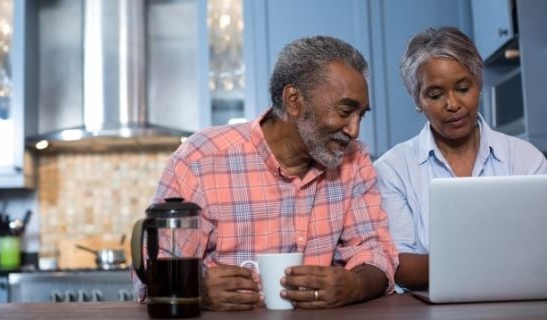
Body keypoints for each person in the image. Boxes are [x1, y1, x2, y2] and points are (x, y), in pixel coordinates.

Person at [134, 35, 398, 310]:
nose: (354, 130)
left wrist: (354, 285)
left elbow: (376, 253)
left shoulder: (354, 161)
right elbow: (151, 268)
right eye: (345, 111)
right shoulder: (200, 159)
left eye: (361, 115)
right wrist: (194, 287)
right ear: (294, 100)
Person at [373, 26, 547, 291]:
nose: (452, 104)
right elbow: (399, 264)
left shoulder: (526, 159)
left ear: (479, 85)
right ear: (417, 99)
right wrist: (499, 263)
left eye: (463, 88)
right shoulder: (392, 169)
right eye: (435, 95)